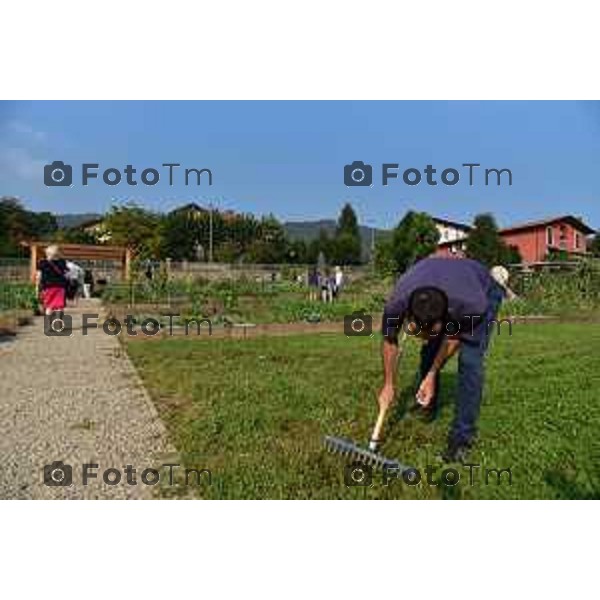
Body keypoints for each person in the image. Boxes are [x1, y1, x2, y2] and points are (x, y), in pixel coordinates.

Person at [378, 257, 514, 463]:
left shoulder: (470, 305)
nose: (422, 337)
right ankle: (427, 403)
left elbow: (454, 338)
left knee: (470, 361)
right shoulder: (396, 303)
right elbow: (389, 339)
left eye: (431, 332)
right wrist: (388, 384)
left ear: (445, 319)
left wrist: (432, 373)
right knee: (429, 350)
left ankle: (461, 440)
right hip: (445, 283)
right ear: (409, 316)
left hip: (483, 289)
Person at [36, 245, 68, 317]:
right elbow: (65, 273)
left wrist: (37, 286)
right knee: (59, 306)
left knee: (49, 306)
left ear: (47, 253)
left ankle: (48, 325)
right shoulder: (62, 262)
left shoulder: (42, 263)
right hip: (60, 287)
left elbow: (39, 276)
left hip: (48, 287)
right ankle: (58, 325)